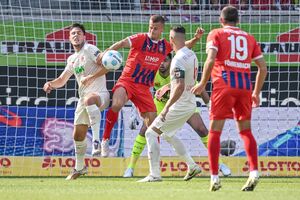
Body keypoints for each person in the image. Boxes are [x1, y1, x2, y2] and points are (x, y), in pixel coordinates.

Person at [100, 15, 204, 157]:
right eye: (150, 27)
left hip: (144, 88)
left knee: (153, 127)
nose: (152, 30)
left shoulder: (165, 46)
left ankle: (154, 164)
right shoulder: (141, 39)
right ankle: (105, 140)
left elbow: (183, 45)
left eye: (155, 28)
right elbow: (122, 43)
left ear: (161, 29)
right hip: (127, 81)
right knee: (117, 104)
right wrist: (106, 52)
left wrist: (196, 39)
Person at [191, 6, 267, 191]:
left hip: (224, 86)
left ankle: (215, 177)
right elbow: (262, 67)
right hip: (244, 88)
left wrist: (202, 84)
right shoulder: (249, 38)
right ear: (238, 21)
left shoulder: (216, 33)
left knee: (215, 132)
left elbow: (210, 60)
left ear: (221, 20)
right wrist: (256, 92)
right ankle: (254, 172)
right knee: (246, 132)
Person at [123, 54, 231, 178]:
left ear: (171, 61)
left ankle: (220, 164)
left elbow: (199, 87)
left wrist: (209, 106)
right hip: (162, 105)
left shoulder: (177, 69)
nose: (162, 64)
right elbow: (138, 90)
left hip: (183, 103)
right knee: (145, 130)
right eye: (160, 61)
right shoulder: (152, 72)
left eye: (166, 61)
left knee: (201, 128)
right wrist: (134, 113)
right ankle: (130, 168)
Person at [43, 23, 110, 180]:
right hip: (84, 100)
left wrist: (92, 77)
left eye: (79, 33)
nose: (76, 35)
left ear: (84, 36)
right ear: (69, 38)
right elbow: (62, 80)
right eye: (73, 33)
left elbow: (107, 66)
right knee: (77, 135)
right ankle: (79, 168)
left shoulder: (90, 49)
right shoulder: (72, 59)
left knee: (89, 99)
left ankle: (96, 141)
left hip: (100, 95)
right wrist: (50, 84)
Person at [138, 25, 202, 182]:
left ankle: (154, 174)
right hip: (189, 103)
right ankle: (192, 166)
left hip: (179, 105)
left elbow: (179, 86)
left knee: (150, 133)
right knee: (168, 134)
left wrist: (166, 108)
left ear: (172, 39)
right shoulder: (191, 54)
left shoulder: (177, 60)